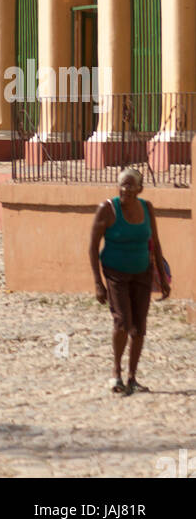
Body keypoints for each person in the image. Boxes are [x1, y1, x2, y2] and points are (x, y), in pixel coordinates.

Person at [89, 166, 169, 395]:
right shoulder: (107, 209)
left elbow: (155, 243)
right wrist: (98, 282)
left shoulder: (147, 208)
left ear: (139, 188)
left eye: (130, 184)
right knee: (122, 322)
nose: (125, 188)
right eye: (122, 183)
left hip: (142, 272)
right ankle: (116, 373)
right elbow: (93, 247)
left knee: (139, 327)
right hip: (115, 273)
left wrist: (162, 278)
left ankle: (132, 377)